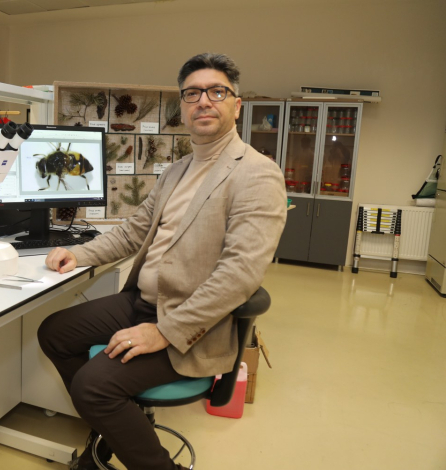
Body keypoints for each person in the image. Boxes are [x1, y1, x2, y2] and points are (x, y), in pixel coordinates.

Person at [38, 53, 287, 470]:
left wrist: (165, 332)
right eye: (192, 93)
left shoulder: (257, 175)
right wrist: (78, 253)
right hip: (142, 301)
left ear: (236, 105)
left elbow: (239, 275)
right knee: (55, 332)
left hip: (191, 322)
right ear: (183, 106)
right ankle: (113, 428)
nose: (203, 101)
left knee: (92, 387)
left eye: (217, 91)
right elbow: (132, 233)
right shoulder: (175, 171)